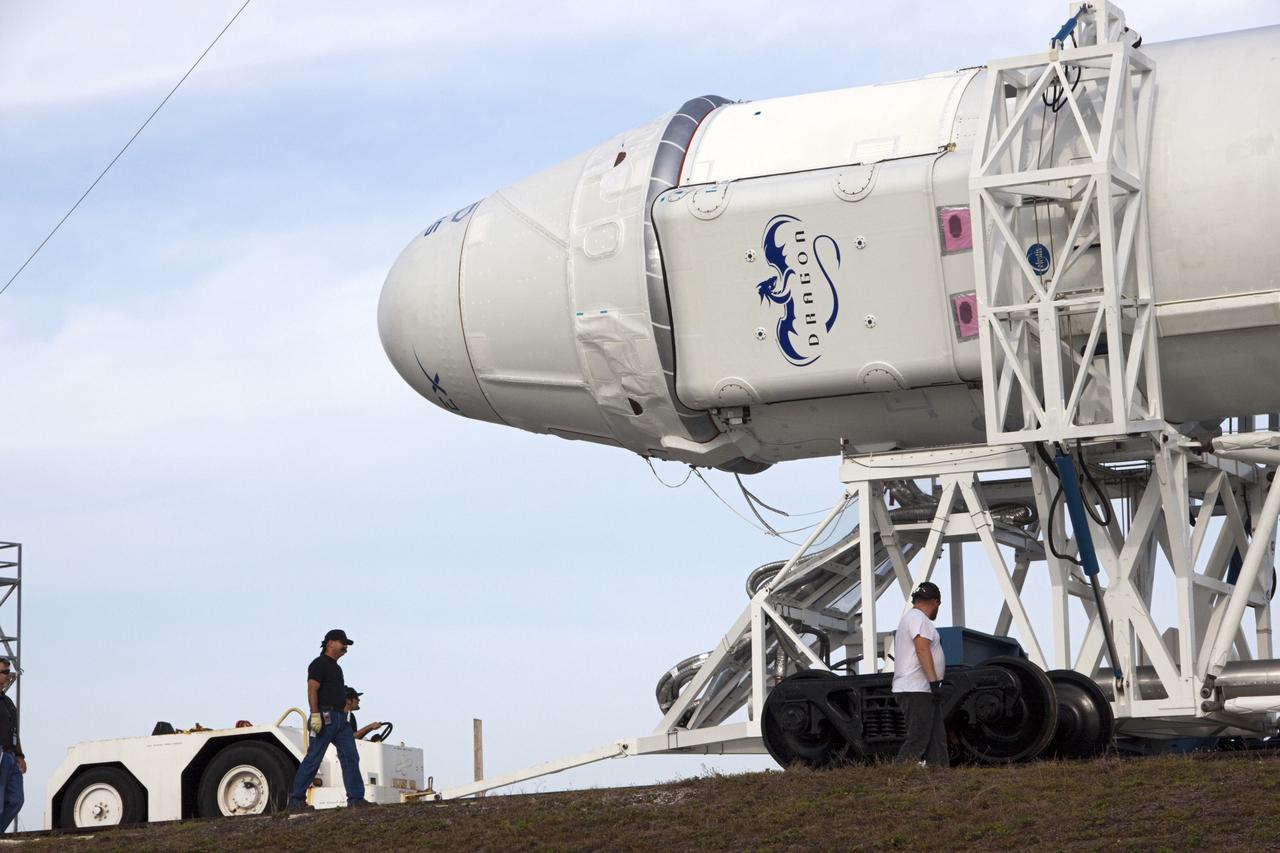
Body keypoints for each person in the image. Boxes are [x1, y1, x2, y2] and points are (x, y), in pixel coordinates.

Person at [286, 629, 369, 810]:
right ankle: (297, 801)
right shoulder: (318, 664)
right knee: (314, 758)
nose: (345, 647)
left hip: (340, 718)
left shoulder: (336, 668)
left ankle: (356, 799)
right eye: (343, 643)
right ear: (330, 643)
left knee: (351, 757)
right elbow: (312, 689)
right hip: (325, 717)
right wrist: (315, 714)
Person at [892, 581, 948, 767]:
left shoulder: (911, 618)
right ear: (935, 602)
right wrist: (934, 682)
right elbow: (922, 649)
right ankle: (897, 776)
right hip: (916, 688)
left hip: (921, 689)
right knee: (919, 738)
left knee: (936, 739)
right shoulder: (919, 619)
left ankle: (939, 776)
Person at [0, 660, 22, 833]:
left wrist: (20, 755)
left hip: (10, 755)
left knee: (16, 800)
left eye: (8, 671)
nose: (8, 675)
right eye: (4, 672)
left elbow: (13, 730)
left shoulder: (7, 702)